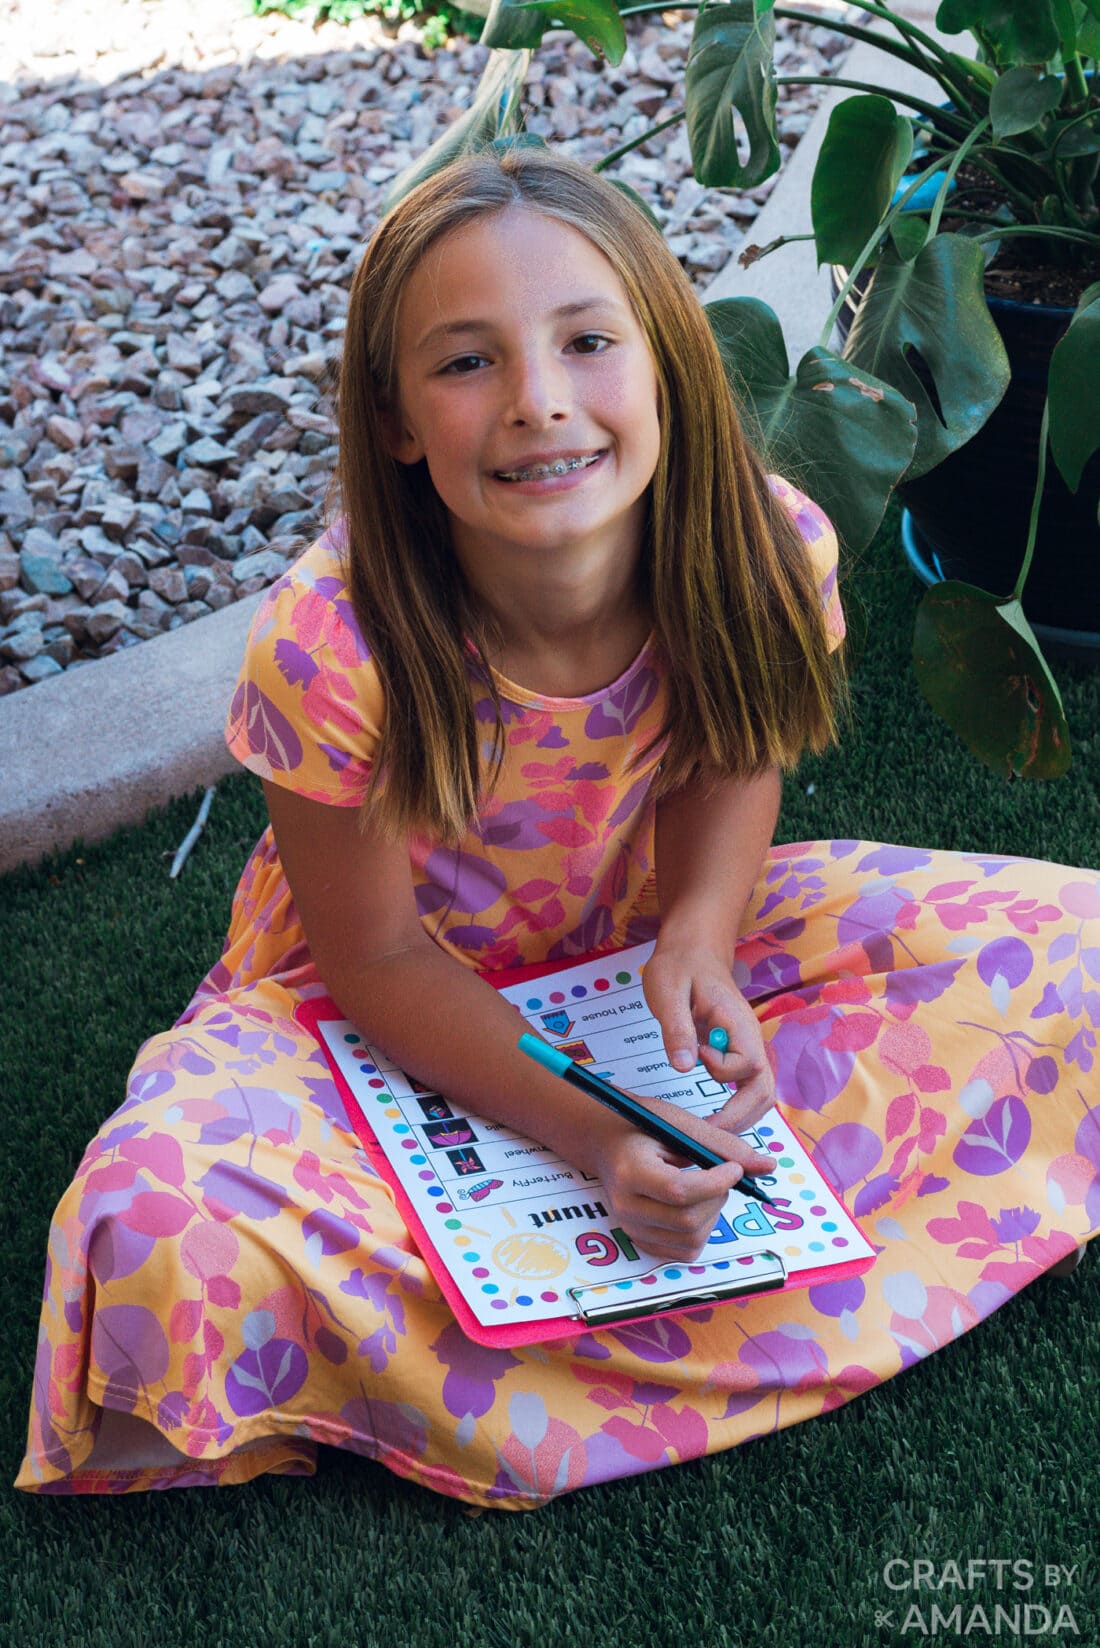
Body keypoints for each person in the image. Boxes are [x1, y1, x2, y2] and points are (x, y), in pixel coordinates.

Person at [18, 147, 1096, 1507]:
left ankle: (507, 1336)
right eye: (466, 364)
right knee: (158, 1221)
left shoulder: (765, 547)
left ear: (662, 363)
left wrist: (702, 930)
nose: (539, 403)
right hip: (377, 1013)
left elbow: (736, 751)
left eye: (587, 341)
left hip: (645, 935)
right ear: (398, 417)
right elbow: (380, 964)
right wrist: (594, 1132)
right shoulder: (331, 637)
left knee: (1083, 952)